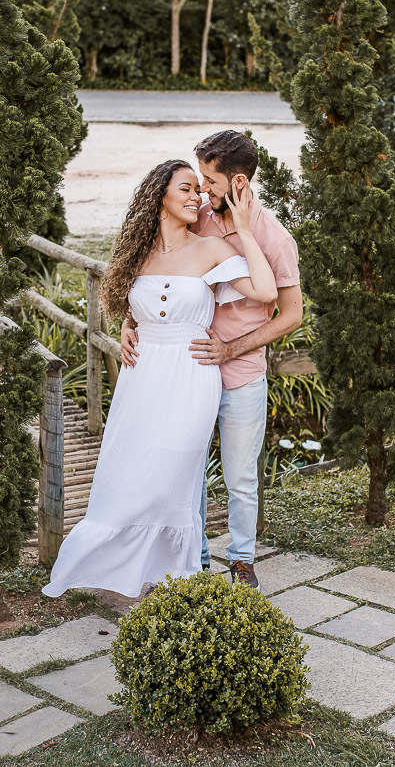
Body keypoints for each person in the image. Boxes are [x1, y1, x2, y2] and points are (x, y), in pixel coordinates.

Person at [42, 159, 278, 599]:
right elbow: (137, 305)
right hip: (142, 374)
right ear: (160, 197)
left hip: (191, 374)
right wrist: (129, 326)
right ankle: (135, 563)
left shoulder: (210, 249)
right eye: (185, 189)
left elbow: (266, 292)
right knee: (134, 468)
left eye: (197, 190)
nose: (196, 197)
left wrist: (244, 228)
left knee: (177, 468)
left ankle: (182, 566)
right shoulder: (137, 252)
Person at [121, 131, 303, 589]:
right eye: (197, 179)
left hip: (240, 375)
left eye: (208, 178)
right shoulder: (197, 217)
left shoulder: (274, 239)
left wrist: (231, 349)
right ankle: (195, 559)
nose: (202, 189)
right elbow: (157, 272)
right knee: (188, 471)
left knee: (240, 477)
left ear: (237, 181)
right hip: (186, 375)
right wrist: (131, 320)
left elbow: (292, 315)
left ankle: (241, 559)